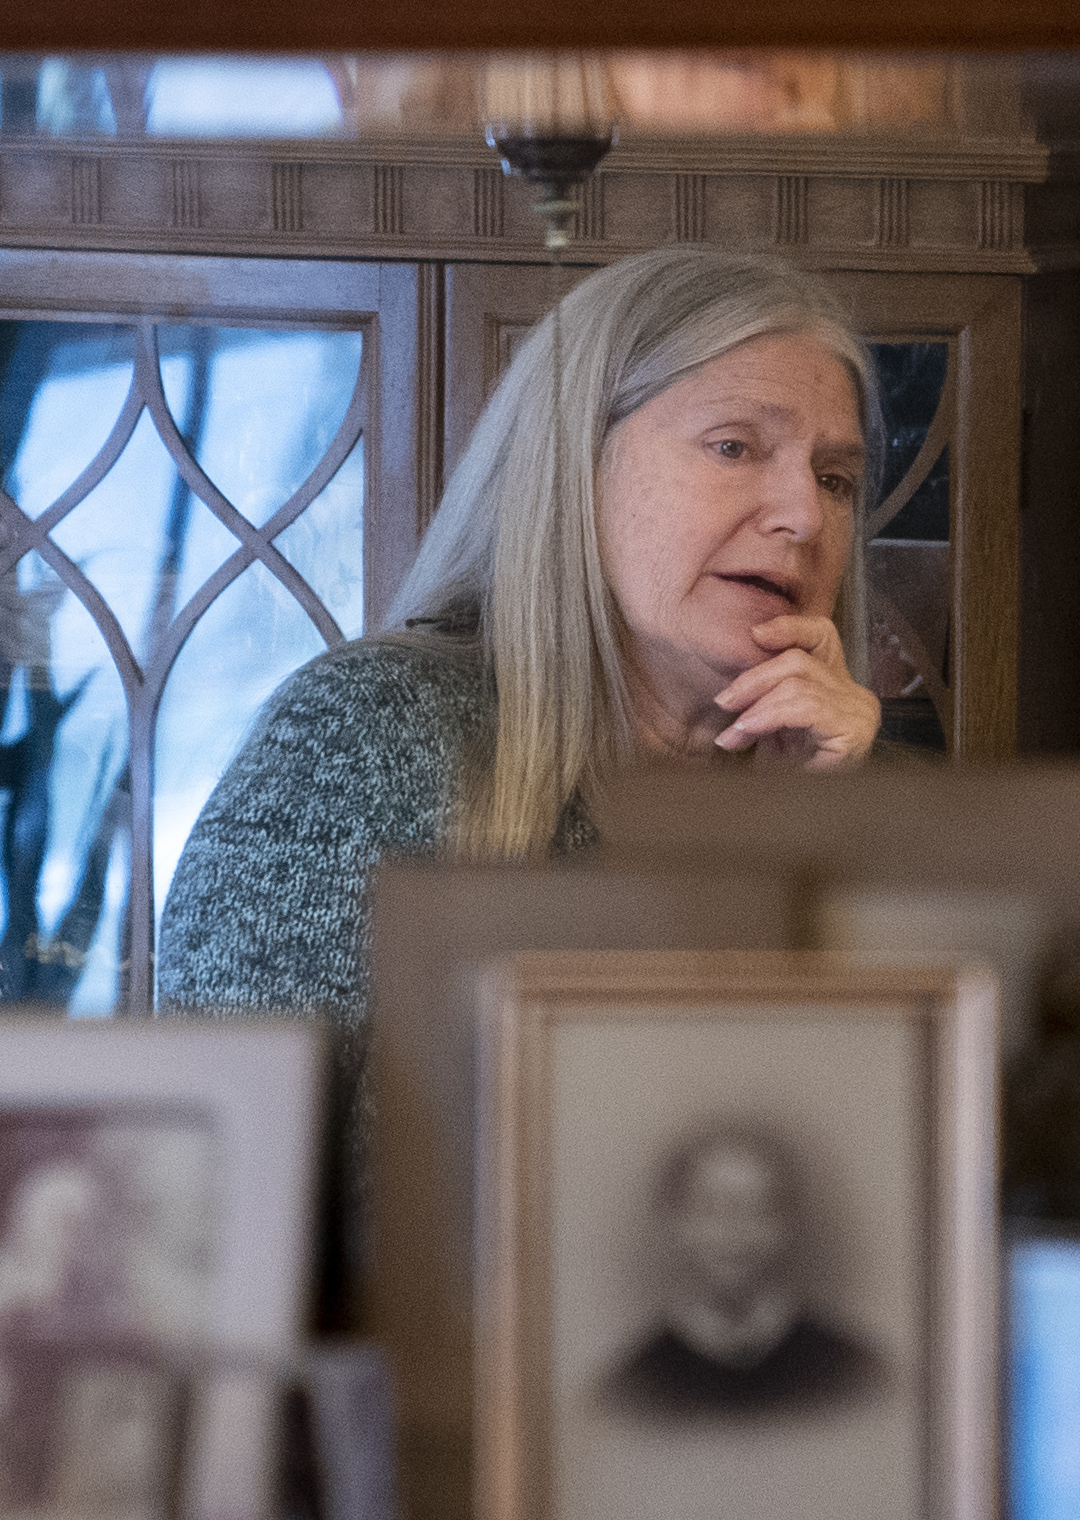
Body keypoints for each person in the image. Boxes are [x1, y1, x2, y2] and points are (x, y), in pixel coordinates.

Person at [157, 244, 891, 1042]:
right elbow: (240, 1141)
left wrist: (819, 834)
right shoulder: (367, 737)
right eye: (734, 446)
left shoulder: (855, 790)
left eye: (834, 479)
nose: (805, 517)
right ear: (574, 463)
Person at [604, 1123, 880, 1420]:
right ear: (674, 1223)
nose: (733, 1232)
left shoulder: (854, 1372)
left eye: (759, 1208)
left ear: (789, 1224)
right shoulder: (629, 1387)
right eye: (709, 1208)